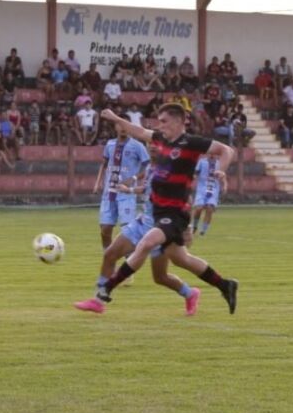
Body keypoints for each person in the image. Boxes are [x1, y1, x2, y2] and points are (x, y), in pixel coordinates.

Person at [75, 104, 239, 314]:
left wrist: (221, 170)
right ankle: (223, 285)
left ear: (180, 121)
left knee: (146, 244)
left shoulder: (191, 142)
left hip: (174, 214)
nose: (159, 126)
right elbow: (139, 131)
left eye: (164, 121)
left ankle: (102, 295)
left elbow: (227, 150)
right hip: (154, 215)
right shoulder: (161, 139)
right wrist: (115, 117)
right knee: (174, 265)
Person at [81, 148, 202, 315]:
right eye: (150, 144)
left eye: (156, 145)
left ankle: (190, 293)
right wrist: (129, 189)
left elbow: (186, 198)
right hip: (141, 224)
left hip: (160, 230)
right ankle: (97, 301)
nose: (152, 148)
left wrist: (187, 228)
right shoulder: (151, 168)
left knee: (160, 277)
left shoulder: (170, 170)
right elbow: (146, 190)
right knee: (110, 254)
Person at [92, 123, 150, 251]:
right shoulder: (110, 144)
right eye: (119, 124)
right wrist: (98, 182)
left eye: (126, 125)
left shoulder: (137, 146)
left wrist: (134, 178)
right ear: (116, 127)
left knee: (126, 230)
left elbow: (149, 167)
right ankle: (107, 256)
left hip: (126, 194)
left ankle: (129, 260)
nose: (123, 128)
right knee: (105, 229)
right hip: (109, 193)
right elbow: (104, 164)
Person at [191, 154, 223, 236]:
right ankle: (194, 226)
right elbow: (196, 173)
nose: (212, 155)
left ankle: (203, 231)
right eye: (211, 153)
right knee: (199, 208)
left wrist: (225, 184)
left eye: (214, 153)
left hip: (213, 188)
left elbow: (223, 175)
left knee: (209, 209)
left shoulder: (219, 164)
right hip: (201, 188)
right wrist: (192, 179)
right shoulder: (202, 162)